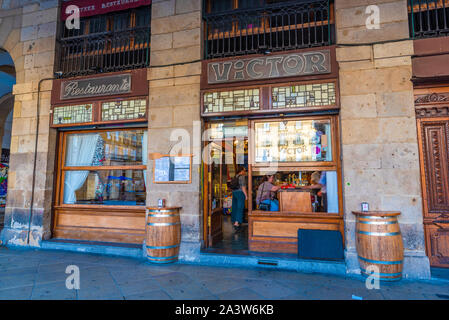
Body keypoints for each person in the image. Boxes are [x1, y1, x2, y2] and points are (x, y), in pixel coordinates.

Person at [231, 166, 247, 231]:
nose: (245, 172)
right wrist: (246, 195)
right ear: (241, 171)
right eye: (244, 170)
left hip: (234, 193)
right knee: (240, 207)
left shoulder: (235, 176)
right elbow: (243, 187)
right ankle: (236, 223)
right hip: (240, 193)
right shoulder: (242, 177)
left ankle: (235, 221)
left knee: (235, 207)